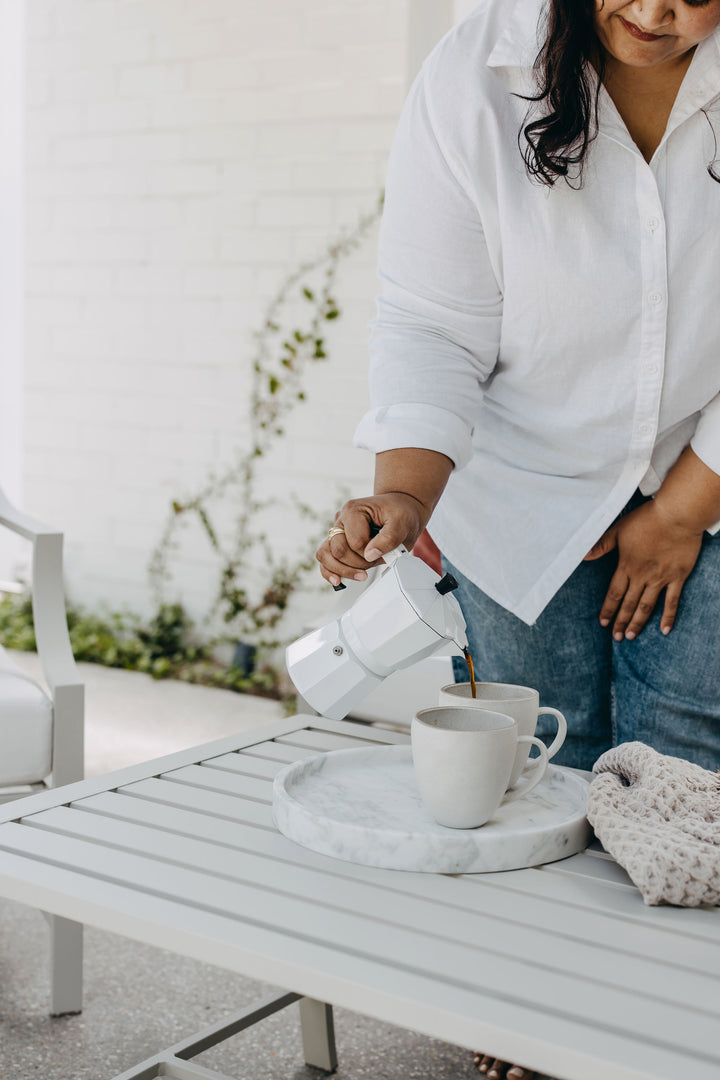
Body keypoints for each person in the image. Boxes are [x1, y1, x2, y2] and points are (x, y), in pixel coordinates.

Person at [317, 2, 720, 1077]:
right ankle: (530, 1024)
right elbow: (433, 320)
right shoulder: (472, 72)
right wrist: (405, 493)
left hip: (707, 475)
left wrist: (683, 507)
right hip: (514, 491)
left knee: (683, 784)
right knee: (539, 781)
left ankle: (649, 1039)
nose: (657, 8)